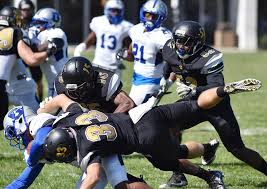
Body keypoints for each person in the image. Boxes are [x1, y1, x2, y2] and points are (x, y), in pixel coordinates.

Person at [40, 79, 261, 189]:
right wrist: (43, 111)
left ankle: (210, 172)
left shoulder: (87, 150)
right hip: (143, 113)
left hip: (146, 139)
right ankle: (222, 91)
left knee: (172, 159)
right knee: (195, 106)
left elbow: (94, 176)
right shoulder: (71, 119)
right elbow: (61, 99)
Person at [160, 20, 267, 188]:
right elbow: (170, 64)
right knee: (168, 128)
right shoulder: (169, 48)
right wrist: (164, 81)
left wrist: (194, 91)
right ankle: (178, 173)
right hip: (192, 103)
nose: (180, 46)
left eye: (186, 42)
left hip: (215, 105)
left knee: (237, 149)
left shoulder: (210, 56)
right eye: (178, 40)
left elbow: (217, 87)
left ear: (198, 43)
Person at [3, 105, 151, 189]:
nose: (16, 138)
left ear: (21, 122)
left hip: (97, 145)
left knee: (120, 184)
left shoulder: (37, 124)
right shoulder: (36, 144)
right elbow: (23, 181)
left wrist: (32, 158)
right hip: (90, 155)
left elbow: (42, 140)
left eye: (12, 132)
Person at [0, 6, 59, 130]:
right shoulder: (14, 32)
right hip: (13, 88)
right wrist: (50, 50)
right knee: (39, 121)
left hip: (7, 84)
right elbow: (31, 59)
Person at [116, 0, 175, 105]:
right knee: (139, 116)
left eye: (154, 16)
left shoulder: (162, 36)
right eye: (147, 15)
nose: (150, 19)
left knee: (130, 112)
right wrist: (125, 54)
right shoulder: (136, 29)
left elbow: (175, 62)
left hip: (151, 82)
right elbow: (132, 54)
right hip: (136, 79)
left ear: (161, 17)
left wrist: (168, 82)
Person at [74, 0, 133, 79]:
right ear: (107, 10)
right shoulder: (99, 22)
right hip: (98, 64)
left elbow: (129, 48)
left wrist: (125, 54)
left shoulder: (125, 26)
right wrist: (82, 46)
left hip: (115, 67)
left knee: (114, 90)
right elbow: (92, 38)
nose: (115, 13)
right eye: (113, 10)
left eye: (117, 11)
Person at [54, 56, 135, 113]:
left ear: (90, 81)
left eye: (79, 88)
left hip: (109, 118)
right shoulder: (61, 84)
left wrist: (109, 121)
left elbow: (127, 103)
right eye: (71, 89)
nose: (75, 93)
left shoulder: (104, 85)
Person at [28, 7, 68, 97]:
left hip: (63, 85)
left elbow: (42, 47)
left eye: (40, 23)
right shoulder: (41, 36)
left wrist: (30, 41)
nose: (36, 26)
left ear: (51, 24)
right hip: (53, 86)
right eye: (35, 22)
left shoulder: (57, 32)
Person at [18, 0, 44, 100]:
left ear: (33, 10)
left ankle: (40, 100)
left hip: (35, 53)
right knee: (20, 79)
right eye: (23, 9)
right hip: (22, 54)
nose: (26, 12)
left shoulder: (37, 22)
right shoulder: (17, 23)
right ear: (19, 10)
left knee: (38, 80)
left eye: (28, 9)